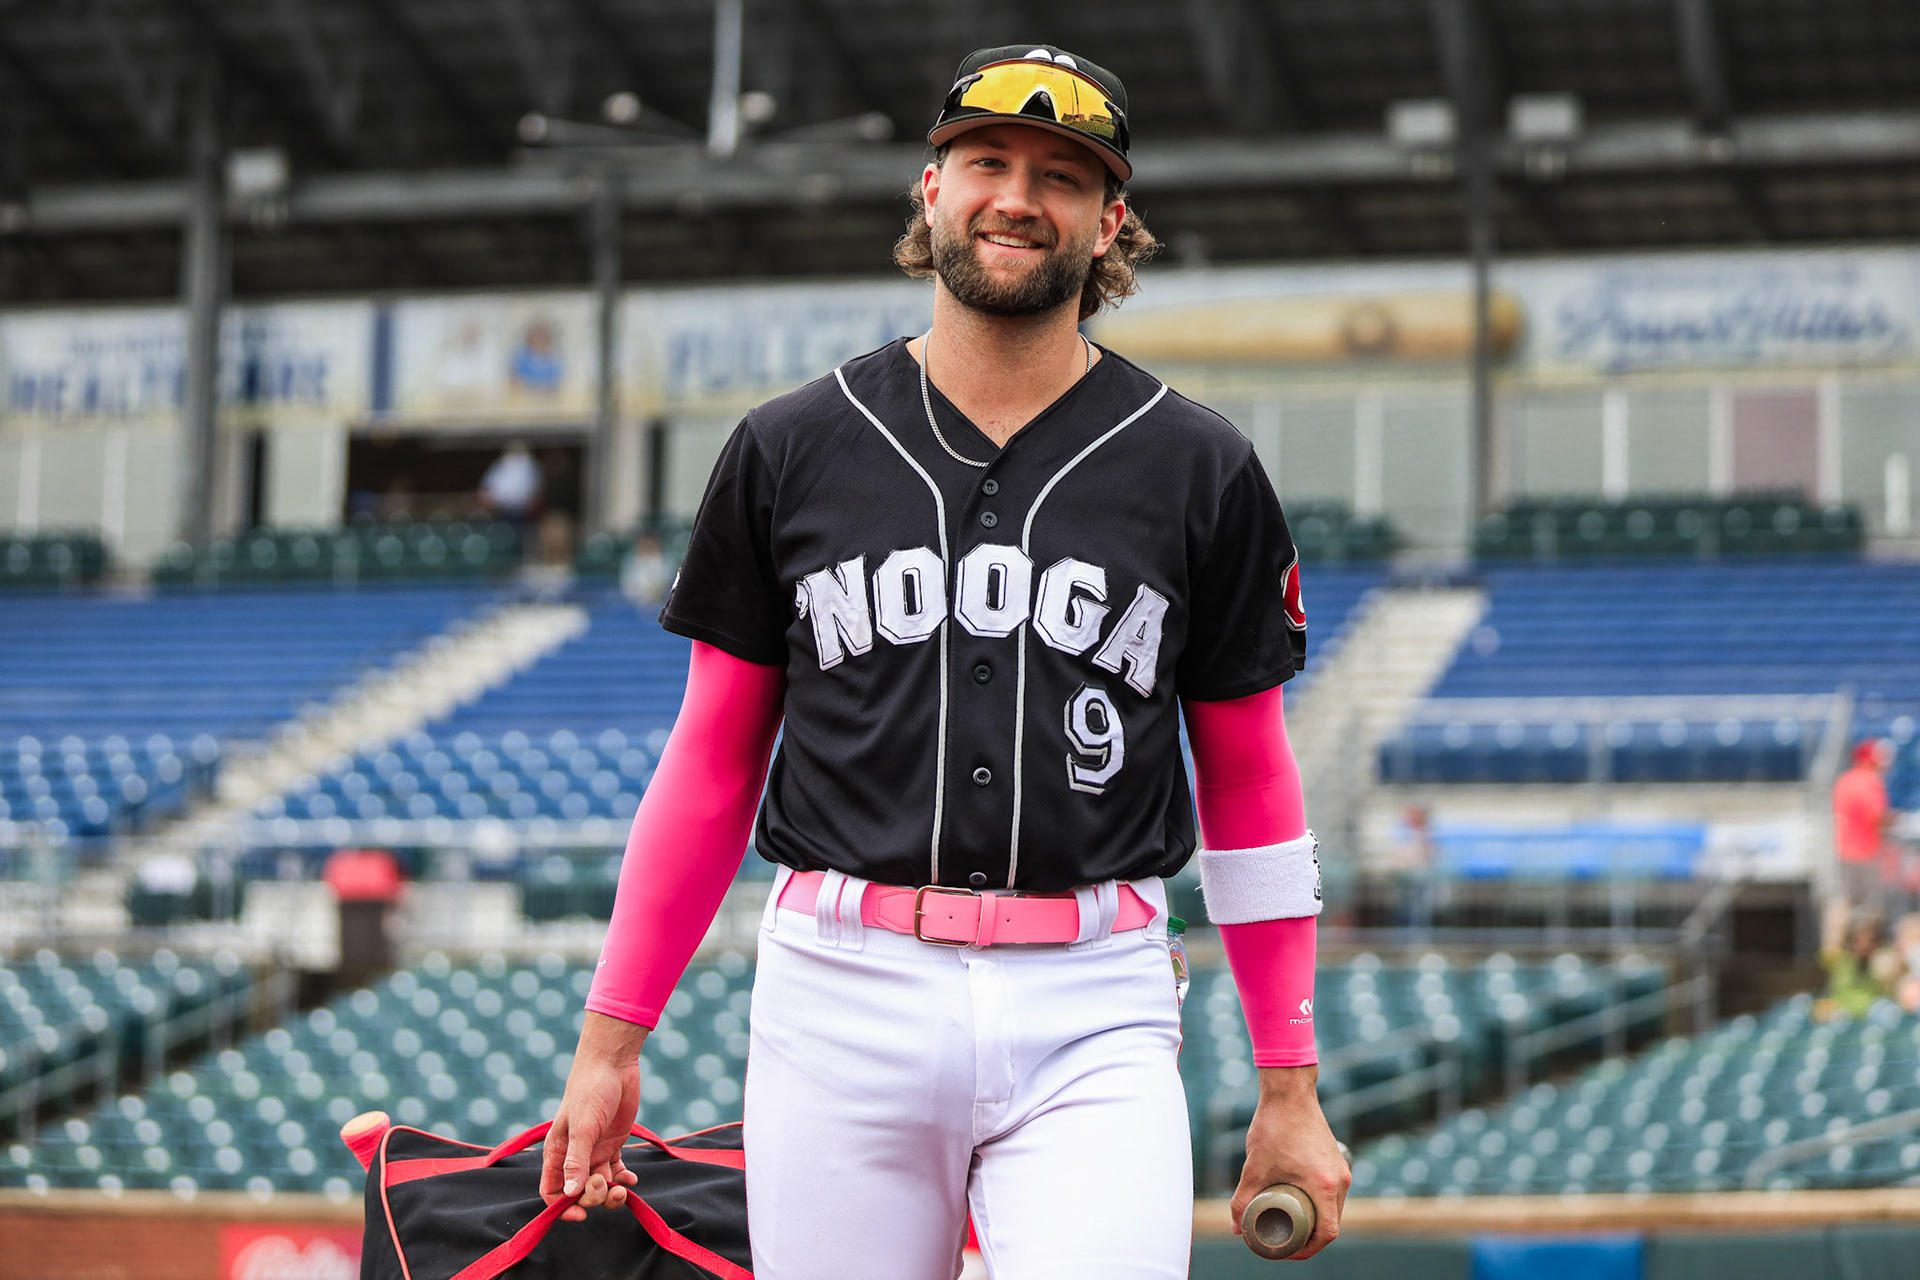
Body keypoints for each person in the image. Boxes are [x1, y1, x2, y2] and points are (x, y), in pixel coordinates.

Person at [541, 44, 1348, 1278]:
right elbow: (711, 761)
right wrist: (611, 1036)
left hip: (1095, 992)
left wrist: (1289, 1079)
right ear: (931, 191)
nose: (1018, 196)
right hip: (840, 987)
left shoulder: (1200, 464)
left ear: (1111, 219)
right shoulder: (789, 447)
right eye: (988, 162)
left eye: (1063, 176)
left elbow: (1247, 781)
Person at [1834, 738, 1893, 912]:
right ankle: (1864, 939)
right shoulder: (1869, 781)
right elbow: (1876, 817)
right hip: (1866, 852)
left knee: (1846, 900)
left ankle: (1833, 939)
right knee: (1870, 905)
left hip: (1844, 851)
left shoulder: (1845, 780)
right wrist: (1895, 819)